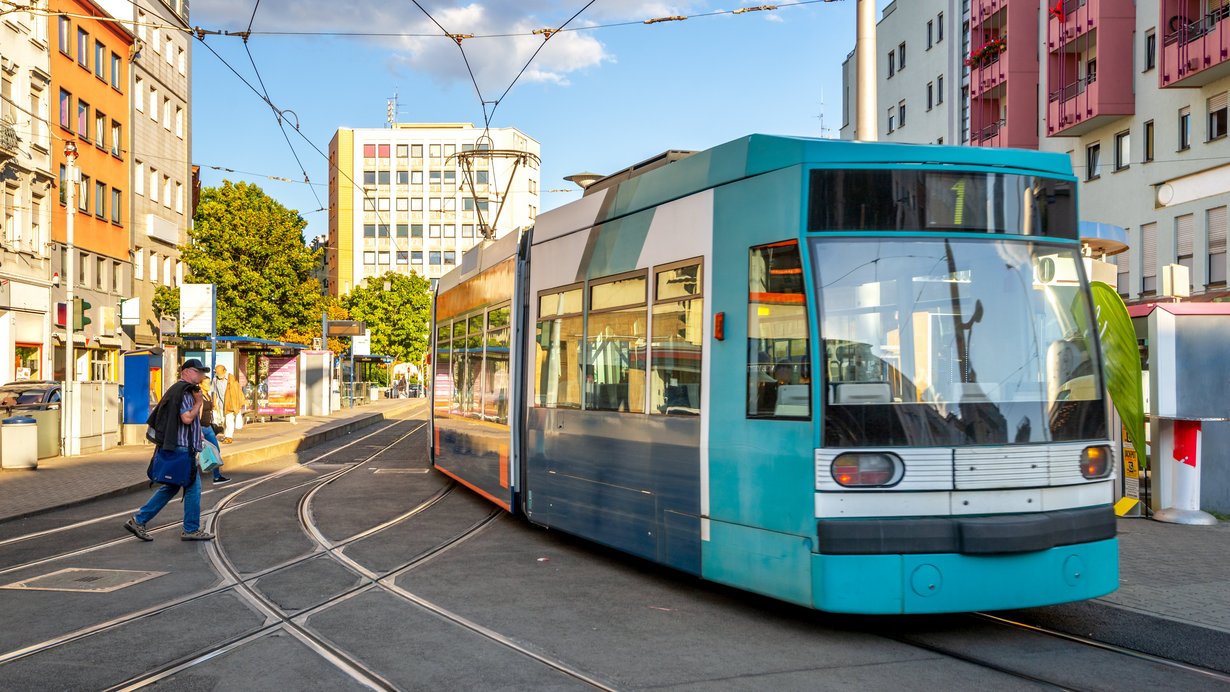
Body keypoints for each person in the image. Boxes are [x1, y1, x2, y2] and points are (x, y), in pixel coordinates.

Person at [124, 359, 215, 542]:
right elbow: (187, 418)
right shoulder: (183, 392)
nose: (202, 376)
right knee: (193, 488)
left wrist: (198, 435)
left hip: (181, 447)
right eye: (199, 372)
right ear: (187, 372)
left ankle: (139, 520)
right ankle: (190, 529)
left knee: (171, 487)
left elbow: (187, 423)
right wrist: (198, 403)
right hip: (181, 450)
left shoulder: (184, 390)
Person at [199, 376, 230, 484]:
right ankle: (187, 476)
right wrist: (198, 430)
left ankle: (217, 476)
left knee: (216, 450)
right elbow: (198, 414)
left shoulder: (207, 395)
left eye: (209, 383)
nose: (209, 385)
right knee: (195, 453)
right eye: (206, 383)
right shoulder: (199, 396)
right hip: (201, 428)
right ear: (200, 384)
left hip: (208, 427)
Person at [212, 364, 244, 443]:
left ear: (224, 371)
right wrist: (214, 403)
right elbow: (214, 392)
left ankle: (229, 437)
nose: (218, 374)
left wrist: (237, 403)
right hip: (221, 404)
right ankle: (226, 435)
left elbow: (236, 391)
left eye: (219, 372)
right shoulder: (215, 380)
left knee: (229, 420)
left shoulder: (231, 378)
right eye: (217, 372)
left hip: (230, 403)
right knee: (223, 421)